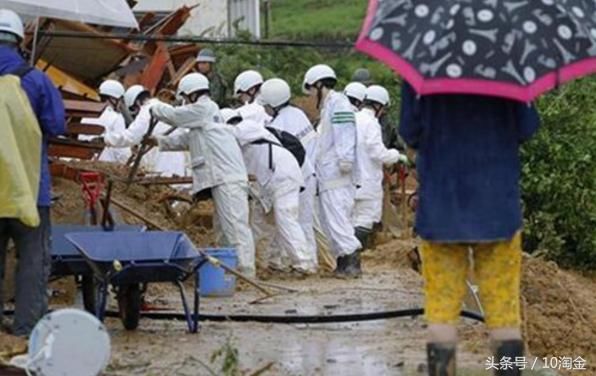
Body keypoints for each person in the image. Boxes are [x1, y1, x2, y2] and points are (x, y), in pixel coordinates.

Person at [399, 82, 540, 376]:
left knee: (441, 310)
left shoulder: (422, 66)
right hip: (497, 208)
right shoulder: (507, 66)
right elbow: (527, 128)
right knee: (503, 312)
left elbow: (409, 131)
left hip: (441, 208)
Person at [150, 73, 257, 277]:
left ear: (191, 94)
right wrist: (158, 141)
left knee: (236, 228)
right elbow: (185, 140)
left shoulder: (205, 108)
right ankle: (231, 271)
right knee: (224, 230)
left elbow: (174, 116)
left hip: (228, 180)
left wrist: (154, 107)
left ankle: (246, 272)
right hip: (221, 180)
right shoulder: (203, 122)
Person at [0, 9, 66, 336]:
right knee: (32, 263)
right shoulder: (36, 79)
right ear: (19, 41)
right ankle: (27, 333)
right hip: (29, 189)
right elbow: (56, 125)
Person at [221, 108, 315, 274]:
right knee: (261, 223)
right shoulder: (235, 147)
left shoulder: (248, 127)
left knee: (286, 217)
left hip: (283, 175)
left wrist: (210, 129)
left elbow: (231, 133)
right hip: (267, 184)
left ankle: (305, 264)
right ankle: (268, 262)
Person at [303, 64, 362, 278]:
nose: (310, 95)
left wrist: (345, 159)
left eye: (311, 89)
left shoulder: (339, 103)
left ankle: (352, 263)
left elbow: (344, 133)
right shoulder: (329, 106)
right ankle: (343, 262)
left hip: (338, 174)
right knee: (331, 221)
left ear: (319, 85)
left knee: (338, 219)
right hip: (329, 174)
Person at [258, 78, 319, 270]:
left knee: (294, 221)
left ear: (273, 104)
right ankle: (280, 260)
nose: (266, 109)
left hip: (297, 176)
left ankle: (307, 264)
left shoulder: (279, 123)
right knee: (297, 221)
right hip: (309, 173)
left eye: (267, 105)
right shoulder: (297, 114)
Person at [353, 85, 407, 249]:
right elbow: (378, 153)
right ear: (378, 106)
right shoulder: (372, 123)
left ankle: (347, 257)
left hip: (350, 179)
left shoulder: (353, 118)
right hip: (367, 180)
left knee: (351, 219)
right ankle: (353, 258)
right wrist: (396, 156)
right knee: (365, 218)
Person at [104, 85, 187, 178]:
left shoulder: (147, 111)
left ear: (138, 102)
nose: (136, 113)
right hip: (178, 162)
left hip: (164, 164)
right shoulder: (166, 107)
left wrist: (106, 139)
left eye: (134, 109)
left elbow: (130, 137)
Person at [81, 79, 130, 163]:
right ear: (113, 99)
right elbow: (122, 152)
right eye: (120, 100)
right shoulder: (116, 118)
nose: (120, 103)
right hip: (105, 165)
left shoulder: (87, 115)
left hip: (83, 161)